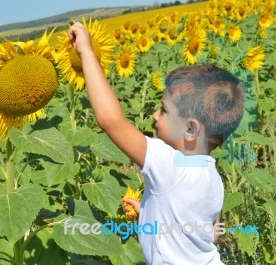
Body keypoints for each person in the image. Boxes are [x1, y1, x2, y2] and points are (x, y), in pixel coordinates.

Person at [68, 22, 245, 265]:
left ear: (190, 129)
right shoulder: (213, 178)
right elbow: (209, 234)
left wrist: (87, 53)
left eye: (163, 110)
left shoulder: (169, 163)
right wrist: (150, 213)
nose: (154, 115)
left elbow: (111, 120)